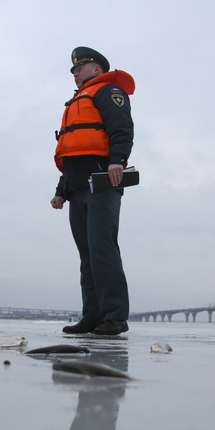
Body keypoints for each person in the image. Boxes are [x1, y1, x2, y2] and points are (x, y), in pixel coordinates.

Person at [51, 47, 135, 336]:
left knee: (102, 249)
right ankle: (93, 315)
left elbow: (121, 128)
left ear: (96, 69)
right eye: (73, 70)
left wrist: (117, 161)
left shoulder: (109, 91)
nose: (74, 74)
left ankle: (115, 316)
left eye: (79, 68)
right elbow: (71, 152)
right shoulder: (75, 101)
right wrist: (61, 190)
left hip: (102, 180)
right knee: (87, 255)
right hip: (77, 186)